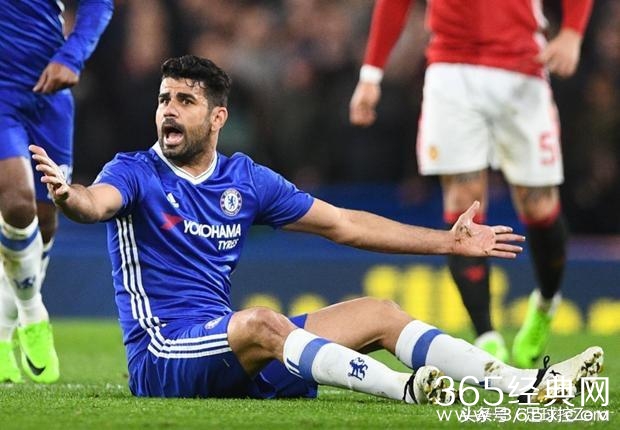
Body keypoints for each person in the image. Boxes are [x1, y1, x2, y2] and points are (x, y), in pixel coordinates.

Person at [29, 55, 603, 402]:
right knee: (262, 321)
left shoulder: (245, 179)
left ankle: (526, 385)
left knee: (378, 311)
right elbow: (95, 204)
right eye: (163, 100)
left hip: (233, 352)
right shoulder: (133, 170)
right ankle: (404, 389)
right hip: (163, 357)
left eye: (185, 100)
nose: (168, 111)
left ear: (218, 117)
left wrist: (447, 241)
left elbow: (345, 224)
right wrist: (68, 195)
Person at [349, 0, 594, 367]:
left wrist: (573, 32)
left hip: (522, 67)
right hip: (451, 71)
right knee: (464, 204)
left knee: (539, 206)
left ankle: (545, 303)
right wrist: (371, 75)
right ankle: (486, 338)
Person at [0, 0, 114, 383]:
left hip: (48, 92)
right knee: (17, 204)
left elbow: (99, 3)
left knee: (45, 218)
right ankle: (33, 313)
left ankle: (2, 333)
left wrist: (72, 55)